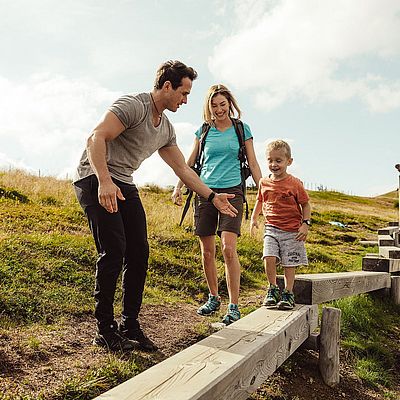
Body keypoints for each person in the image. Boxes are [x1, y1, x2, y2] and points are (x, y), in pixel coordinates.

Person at [73, 61, 239, 352]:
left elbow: (184, 170)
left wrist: (212, 196)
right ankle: (105, 329)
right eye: (183, 93)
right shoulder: (133, 106)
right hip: (94, 176)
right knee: (114, 250)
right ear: (167, 86)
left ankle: (130, 325)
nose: (186, 100)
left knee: (139, 251)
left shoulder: (166, 128)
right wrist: (104, 181)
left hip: (123, 181)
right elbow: (96, 137)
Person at [172, 84, 262, 325]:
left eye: (223, 104)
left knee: (228, 248)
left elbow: (253, 163)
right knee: (207, 251)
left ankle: (233, 306)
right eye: (214, 105)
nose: (219, 109)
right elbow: (188, 162)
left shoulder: (242, 129)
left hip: (232, 191)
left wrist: (265, 190)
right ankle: (213, 297)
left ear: (229, 104)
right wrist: (179, 186)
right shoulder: (203, 131)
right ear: (208, 107)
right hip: (205, 193)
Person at [250, 140, 311, 310]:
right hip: (271, 228)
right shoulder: (264, 182)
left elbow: (306, 204)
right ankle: (273, 289)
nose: (274, 164)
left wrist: (305, 224)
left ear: (289, 162)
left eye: (278, 160)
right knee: (268, 257)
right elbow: (260, 200)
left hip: (292, 231)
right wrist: (254, 218)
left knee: (288, 264)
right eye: (270, 160)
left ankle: (288, 293)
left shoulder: (294, 183)